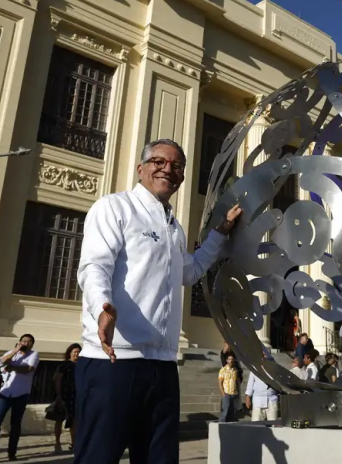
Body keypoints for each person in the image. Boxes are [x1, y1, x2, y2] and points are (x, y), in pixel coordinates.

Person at [74, 138, 241, 464]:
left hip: (162, 366)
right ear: (141, 168)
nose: (167, 169)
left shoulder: (173, 229)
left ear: (181, 177)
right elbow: (95, 265)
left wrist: (221, 232)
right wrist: (102, 307)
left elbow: (190, 272)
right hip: (114, 363)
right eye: (159, 162)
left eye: (176, 166)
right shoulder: (114, 208)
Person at [0, 334, 39, 460]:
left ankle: (12, 452)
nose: (25, 343)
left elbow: (28, 368)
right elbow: (0, 363)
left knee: (15, 423)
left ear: (32, 344)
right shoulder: (11, 353)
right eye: (23, 341)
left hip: (21, 394)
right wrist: (15, 351)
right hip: (5, 392)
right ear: (19, 342)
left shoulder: (34, 354)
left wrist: (13, 367)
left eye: (29, 341)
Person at [53, 343, 80, 453]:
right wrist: (59, 395)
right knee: (59, 419)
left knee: (73, 421)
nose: (77, 354)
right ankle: (57, 443)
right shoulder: (64, 365)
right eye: (75, 352)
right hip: (63, 396)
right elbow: (57, 379)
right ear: (70, 353)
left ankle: (73, 443)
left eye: (78, 352)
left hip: (76, 396)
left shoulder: (82, 366)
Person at [245, 352, 279, 421]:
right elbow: (250, 383)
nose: (264, 356)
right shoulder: (255, 368)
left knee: (273, 424)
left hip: (271, 400)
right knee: (256, 424)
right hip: (258, 400)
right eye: (263, 354)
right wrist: (248, 396)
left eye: (266, 354)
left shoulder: (274, 368)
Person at [218, 353, 240, 423]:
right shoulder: (223, 370)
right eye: (229, 359)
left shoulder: (235, 370)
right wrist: (223, 394)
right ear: (227, 360)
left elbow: (236, 382)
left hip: (234, 393)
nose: (231, 361)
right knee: (224, 412)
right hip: (226, 393)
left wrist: (237, 392)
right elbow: (220, 382)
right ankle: (221, 426)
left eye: (232, 359)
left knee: (232, 413)